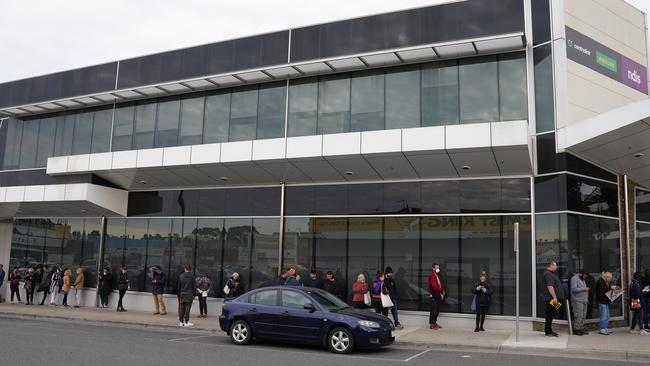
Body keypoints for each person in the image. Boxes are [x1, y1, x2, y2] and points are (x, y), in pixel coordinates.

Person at [542, 261, 562, 337]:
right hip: (550, 299)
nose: (556, 267)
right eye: (555, 265)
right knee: (550, 314)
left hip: (551, 298)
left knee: (550, 314)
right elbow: (550, 286)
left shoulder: (550, 274)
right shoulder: (548, 274)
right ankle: (548, 331)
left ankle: (549, 330)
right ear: (551, 265)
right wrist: (554, 297)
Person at [596, 271, 619, 335]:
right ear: (606, 277)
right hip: (602, 301)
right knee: (603, 316)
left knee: (607, 316)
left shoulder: (604, 282)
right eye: (610, 278)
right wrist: (611, 288)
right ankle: (602, 329)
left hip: (605, 301)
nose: (610, 279)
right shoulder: (600, 282)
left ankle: (605, 328)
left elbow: (605, 291)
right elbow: (603, 291)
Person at [570, 270, 590, 336]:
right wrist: (583, 289)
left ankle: (581, 328)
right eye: (585, 276)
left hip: (584, 300)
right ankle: (576, 329)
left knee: (583, 316)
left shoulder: (583, 280)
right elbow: (573, 289)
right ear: (581, 274)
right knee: (578, 315)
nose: (585, 277)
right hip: (577, 300)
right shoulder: (574, 278)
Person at [428, 263, 445, 330]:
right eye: (436, 267)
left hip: (438, 295)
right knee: (434, 310)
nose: (438, 269)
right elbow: (435, 287)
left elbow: (440, 284)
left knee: (437, 310)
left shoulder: (437, 275)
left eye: (438, 267)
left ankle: (434, 323)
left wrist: (443, 292)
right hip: (434, 295)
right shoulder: (432, 276)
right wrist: (441, 291)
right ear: (433, 268)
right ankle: (432, 324)